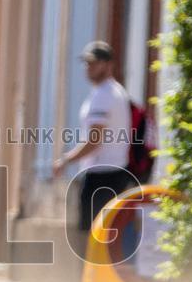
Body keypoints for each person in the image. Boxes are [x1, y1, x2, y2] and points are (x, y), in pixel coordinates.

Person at [53, 41, 134, 232]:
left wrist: (66, 160)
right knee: (104, 235)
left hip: (103, 175)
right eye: (87, 63)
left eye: (94, 63)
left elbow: (94, 139)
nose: (88, 68)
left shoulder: (104, 95)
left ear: (108, 64)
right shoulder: (111, 92)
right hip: (111, 173)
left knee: (94, 236)